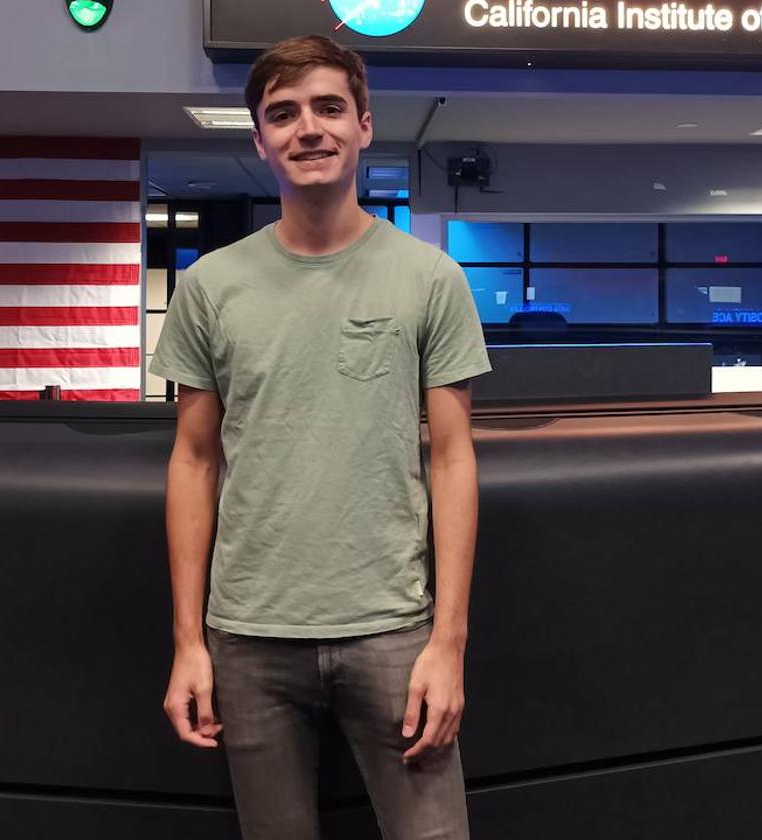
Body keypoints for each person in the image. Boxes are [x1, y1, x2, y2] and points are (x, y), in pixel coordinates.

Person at [149, 34, 491, 840]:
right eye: (284, 113)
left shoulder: (429, 278)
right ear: (261, 140)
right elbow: (193, 461)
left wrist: (449, 643)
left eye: (329, 107)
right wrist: (186, 643)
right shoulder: (210, 287)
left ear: (364, 126)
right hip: (249, 641)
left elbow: (452, 458)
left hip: (395, 634)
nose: (309, 128)